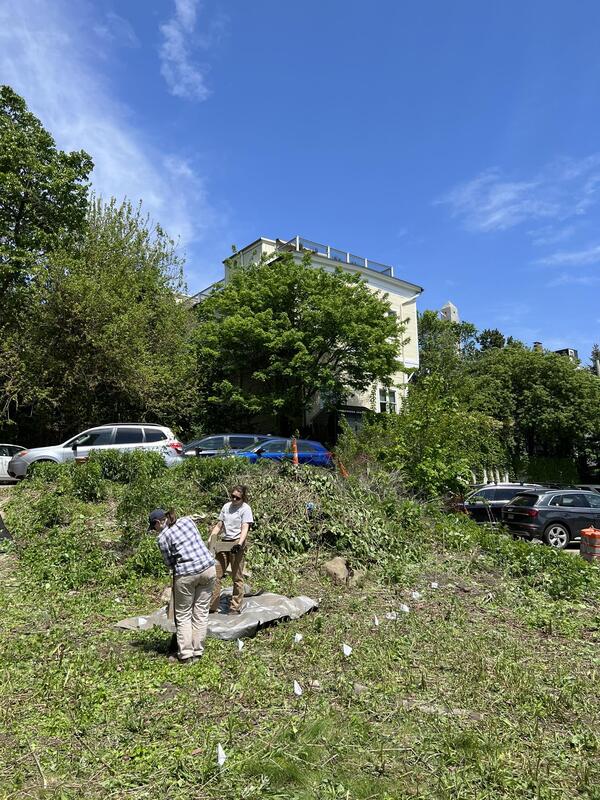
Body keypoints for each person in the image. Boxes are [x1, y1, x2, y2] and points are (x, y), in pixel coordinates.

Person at [149, 508, 216, 664]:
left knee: (184, 614)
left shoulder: (162, 537)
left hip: (186, 575)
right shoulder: (187, 520)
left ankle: (186, 654)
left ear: (159, 522)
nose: (154, 530)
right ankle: (198, 652)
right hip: (208, 569)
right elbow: (198, 541)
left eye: (154, 527)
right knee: (201, 612)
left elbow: (170, 563)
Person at [209, 485, 253, 614]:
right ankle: (212, 606)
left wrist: (239, 543)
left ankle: (234, 607)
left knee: (237, 577)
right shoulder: (226, 507)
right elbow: (219, 525)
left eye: (237, 497)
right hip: (223, 543)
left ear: (242, 498)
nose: (234, 499)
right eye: (232, 496)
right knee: (215, 575)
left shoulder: (245, 509)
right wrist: (212, 537)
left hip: (236, 543)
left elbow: (245, 527)